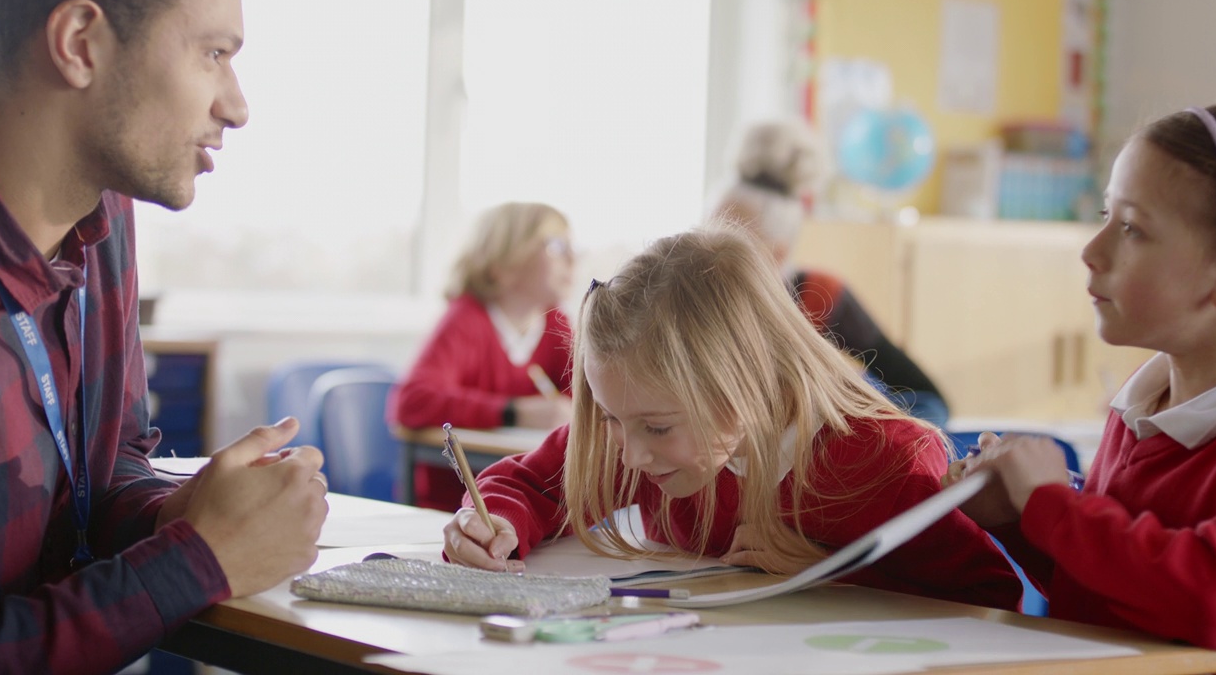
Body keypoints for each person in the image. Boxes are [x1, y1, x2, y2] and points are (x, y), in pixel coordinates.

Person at [0, 0, 330, 672]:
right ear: (81, 43)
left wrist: (179, 516)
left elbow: (107, 468)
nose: (236, 106)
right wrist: (195, 561)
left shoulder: (101, 217)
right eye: (213, 54)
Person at [442, 223, 1021, 610]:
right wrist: (496, 523)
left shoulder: (878, 461)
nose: (630, 455)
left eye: (658, 428)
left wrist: (827, 572)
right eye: (613, 419)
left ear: (740, 388)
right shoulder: (638, 430)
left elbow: (990, 599)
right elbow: (530, 481)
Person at [946, 103, 1216, 674]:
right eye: (1104, 214)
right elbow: (1117, 589)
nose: (1091, 251)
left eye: (1131, 228)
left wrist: (1051, 503)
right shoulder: (1140, 407)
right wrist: (1017, 517)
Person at [712, 120, 950, 429]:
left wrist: (872, 431)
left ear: (779, 252)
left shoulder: (817, 295)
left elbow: (927, 399)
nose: (710, 254)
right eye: (709, 233)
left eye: (735, 242)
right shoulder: (686, 294)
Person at [389, 202, 575, 512]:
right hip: (456, 507)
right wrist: (514, 412)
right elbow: (411, 401)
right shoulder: (466, 320)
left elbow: (585, 400)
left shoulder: (555, 322)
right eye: (556, 246)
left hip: (530, 503)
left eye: (572, 246)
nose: (572, 258)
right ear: (505, 262)